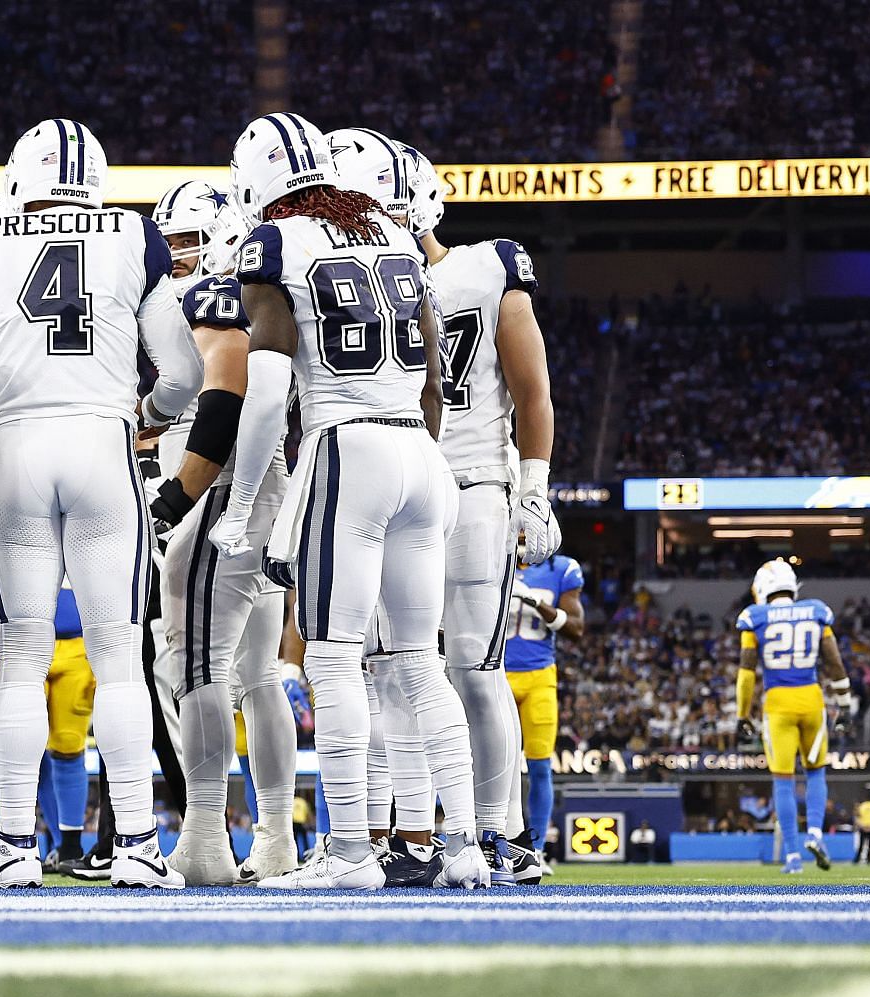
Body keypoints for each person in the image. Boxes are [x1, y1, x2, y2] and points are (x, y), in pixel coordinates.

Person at [0, 118, 204, 889]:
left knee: (21, 665)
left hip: (16, 453)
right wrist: (146, 414)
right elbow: (181, 371)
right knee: (118, 661)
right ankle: (138, 843)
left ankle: (11, 849)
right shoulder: (135, 235)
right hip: (104, 446)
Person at [209, 113, 483, 891]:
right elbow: (433, 386)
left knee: (332, 661)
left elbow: (265, 397)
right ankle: (462, 847)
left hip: (345, 442)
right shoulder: (394, 235)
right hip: (420, 450)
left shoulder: (275, 244)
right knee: (420, 663)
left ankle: (354, 852)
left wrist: (242, 511)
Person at [400, 141, 561, 881]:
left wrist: (531, 487)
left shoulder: (488, 262)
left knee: (471, 665)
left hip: (464, 481)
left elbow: (531, 391)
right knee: (415, 669)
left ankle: (503, 833)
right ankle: (429, 832)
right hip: (416, 482)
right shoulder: (481, 262)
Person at [142, 179, 299, 886]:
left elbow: (217, 399)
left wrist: (177, 490)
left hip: (217, 480)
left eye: (184, 239)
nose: (176, 256)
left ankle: (205, 833)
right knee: (260, 676)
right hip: (268, 480)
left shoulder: (212, 297)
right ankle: (274, 838)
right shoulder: (267, 293)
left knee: (196, 663)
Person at [734, 558, 853, 875]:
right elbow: (835, 664)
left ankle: (792, 857)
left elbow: (746, 675)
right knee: (816, 773)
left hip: (778, 704)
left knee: (783, 782)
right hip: (812, 699)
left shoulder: (755, 616)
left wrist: (742, 714)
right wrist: (846, 703)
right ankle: (815, 833)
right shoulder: (815, 610)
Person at [506, 550, 586, 868]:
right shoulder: (491, 556)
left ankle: (535, 849)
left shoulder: (561, 569)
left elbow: (576, 629)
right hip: (493, 674)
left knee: (539, 768)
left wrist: (537, 603)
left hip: (539, 676)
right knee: (492, 767)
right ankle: (489, 842)